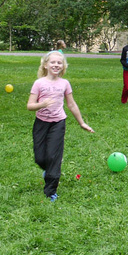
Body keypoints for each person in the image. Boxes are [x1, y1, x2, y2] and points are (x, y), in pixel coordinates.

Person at [27, 51, 93, 202]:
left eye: (59, 63)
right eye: (53, 62)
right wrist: (42, 104)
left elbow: (71, 104)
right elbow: (29, 105)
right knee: (40, 158)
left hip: (58, 123)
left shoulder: (64, 84)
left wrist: (82, 123)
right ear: (45, 65)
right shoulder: (39, 83)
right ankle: (49, 170)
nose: (56, 65)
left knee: (54, 157)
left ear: (63, 66)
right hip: (41, 123)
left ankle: (51, 191)